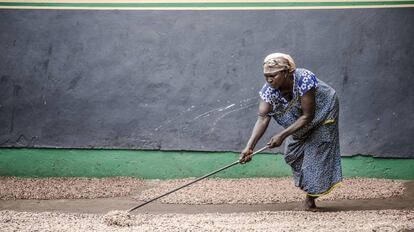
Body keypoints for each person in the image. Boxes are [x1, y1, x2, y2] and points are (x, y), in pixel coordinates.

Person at [239, 53, 342, 211]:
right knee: (292, 154)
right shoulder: (269, 90)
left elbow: (308, 116)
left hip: (323, 111)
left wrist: (282, 135)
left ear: (286, 72)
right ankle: (310, 184)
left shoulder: (304, 78)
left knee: (317, 153)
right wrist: (250, 147)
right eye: (266, 76)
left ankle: (310, 200)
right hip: (303, 118)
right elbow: (263, 117)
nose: (269, 80)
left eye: (273, 75)